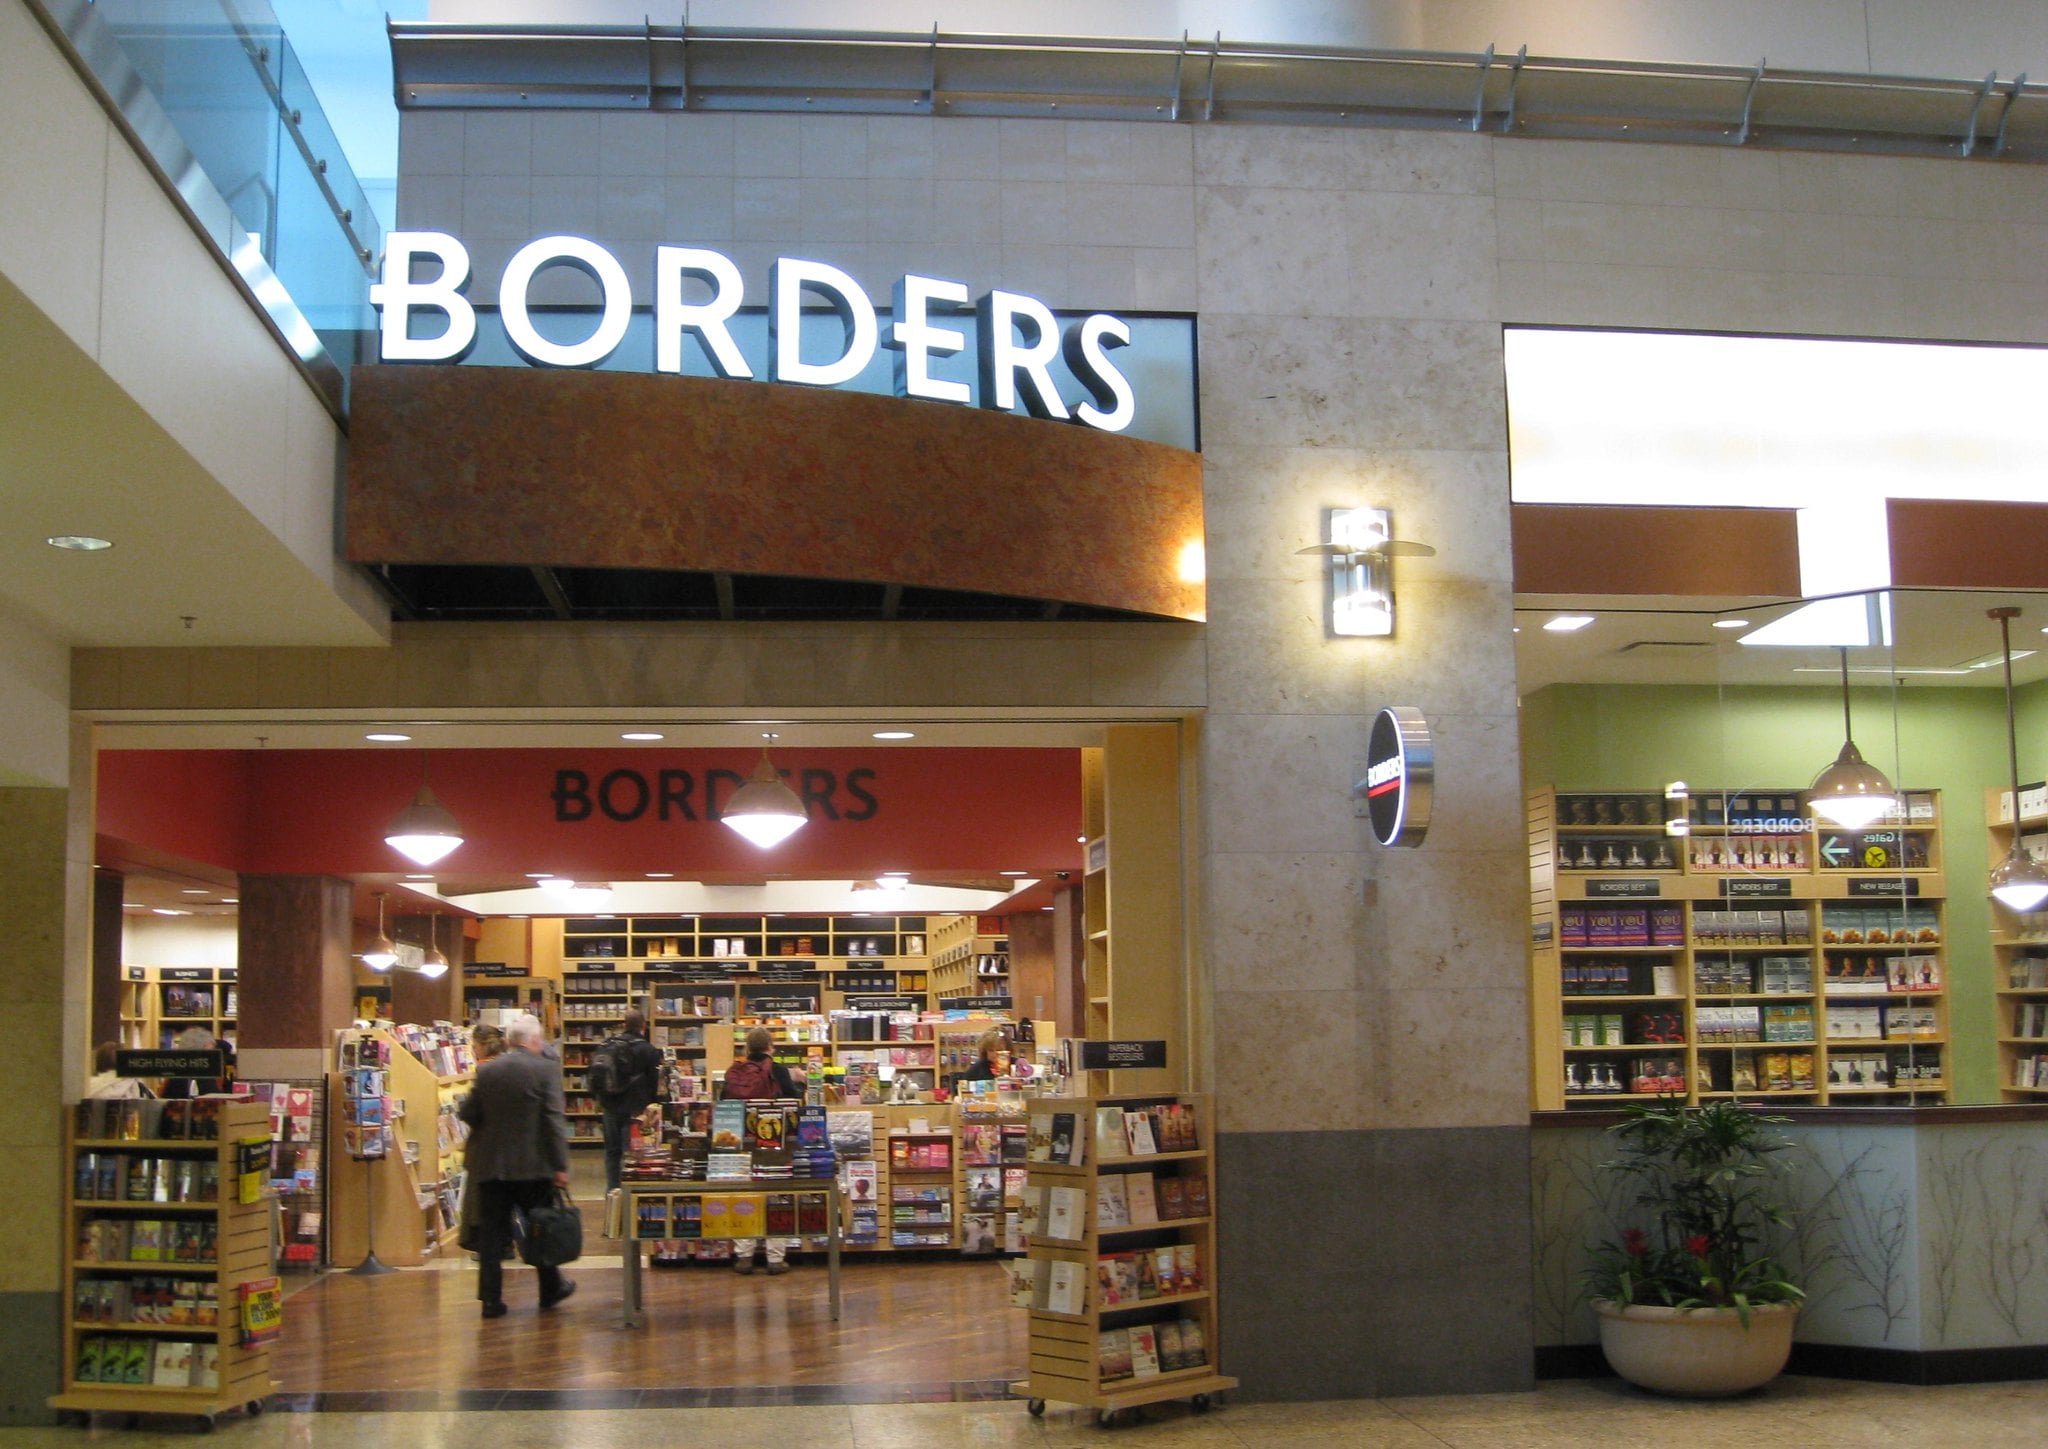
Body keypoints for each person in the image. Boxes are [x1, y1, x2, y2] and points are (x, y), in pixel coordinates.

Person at [458, 1015, 574, 1318]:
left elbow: (468, 1112)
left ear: (510, 1041)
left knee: (491, 1235)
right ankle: (550, 1289)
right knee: (540, 1227)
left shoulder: (488, 1070)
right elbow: (553, 1119)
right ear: (534, 1040)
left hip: (492, 1165)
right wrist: (560, 1165)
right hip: (533, 1166)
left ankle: (490, 1300)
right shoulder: (545, 1069)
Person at [721, 1026, 799, 1275]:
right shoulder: (778, 1070)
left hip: (743, 1142)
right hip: (774, 1143)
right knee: (776, 1196)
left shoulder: (735, 1071)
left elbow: (724, 1104)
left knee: (746, 1195)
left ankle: (744, 1256)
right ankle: (775, 1259)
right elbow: (794, 1101)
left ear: (747, 1048)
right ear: (770, 1047)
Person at [596, 1009, 664, 1192]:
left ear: (624, 1024)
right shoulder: (648, 1050)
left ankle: (613, 1193)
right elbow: (655, 1083)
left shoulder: (608, 1045)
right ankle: (630, 1195)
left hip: (610, 1107)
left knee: (612, 1152)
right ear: (644, 1026)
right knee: (633, 1154)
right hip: (636, 1111)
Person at [455, 1023, 509, 1254]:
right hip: (507, 1143)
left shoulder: (484, 1069)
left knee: (482, 1200)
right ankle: (506, 1242)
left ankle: (491, 1247)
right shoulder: (509, 1065)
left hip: (485, 1145)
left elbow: (470, 1110)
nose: (473, 1050)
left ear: (483, 1045)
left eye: (475, 1046)